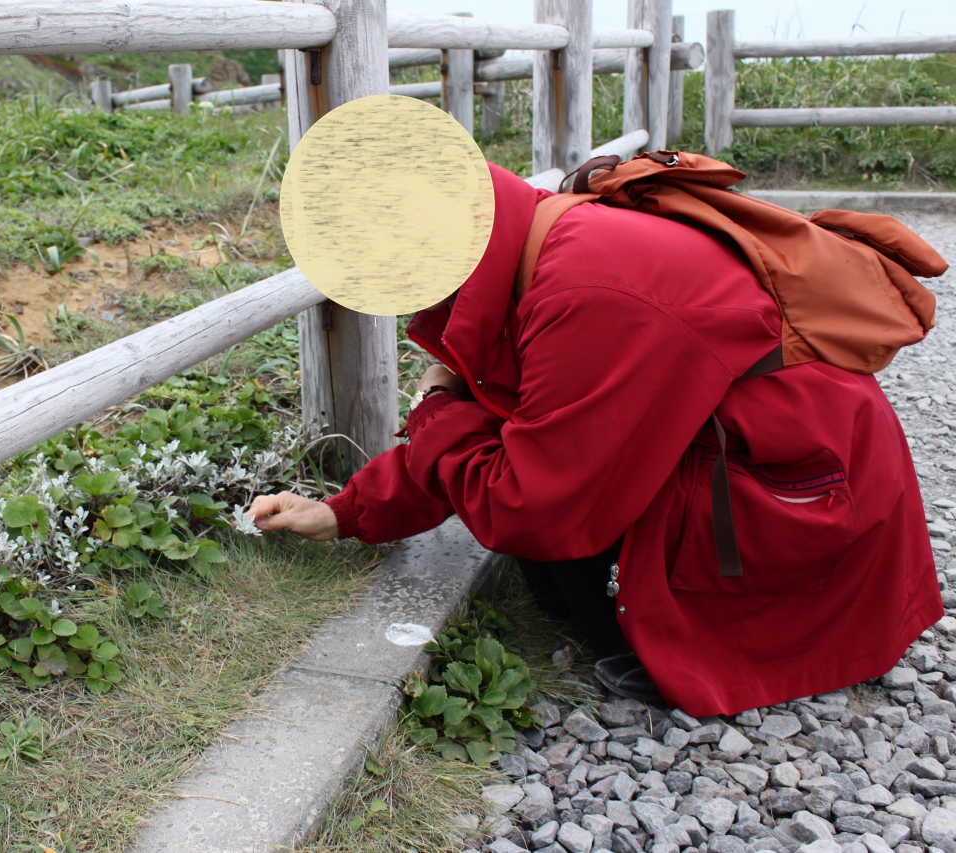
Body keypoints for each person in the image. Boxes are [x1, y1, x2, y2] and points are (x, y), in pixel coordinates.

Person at [246, 161, 944, 716]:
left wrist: (435, 405)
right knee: (550, 560)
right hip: (784, 468)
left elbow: (533, 505)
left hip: (800, 496)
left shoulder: (585, 288)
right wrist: (346, 511)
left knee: (550, 545)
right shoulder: (536, 239)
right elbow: (508, 415)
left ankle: (716, 638)